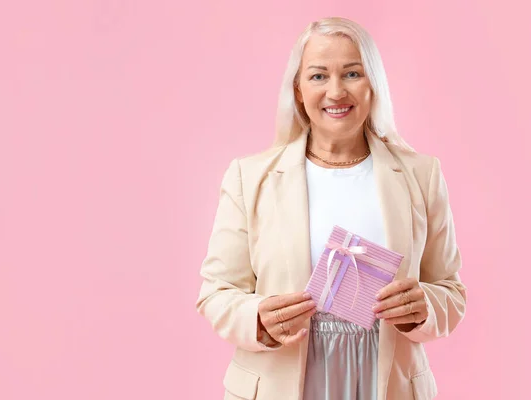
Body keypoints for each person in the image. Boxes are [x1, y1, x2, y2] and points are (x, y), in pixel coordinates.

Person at [195, 17, 466, 400]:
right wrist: (258, 318)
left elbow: (450, 289)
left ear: (373, 84)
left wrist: (425, 306)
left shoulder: (422, 175)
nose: (336, 92)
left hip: (386, 382)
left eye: (352, 73)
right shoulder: (249, 177)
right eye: (319, 76)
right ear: (299, 90)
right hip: (281, 380)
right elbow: (216, 293)